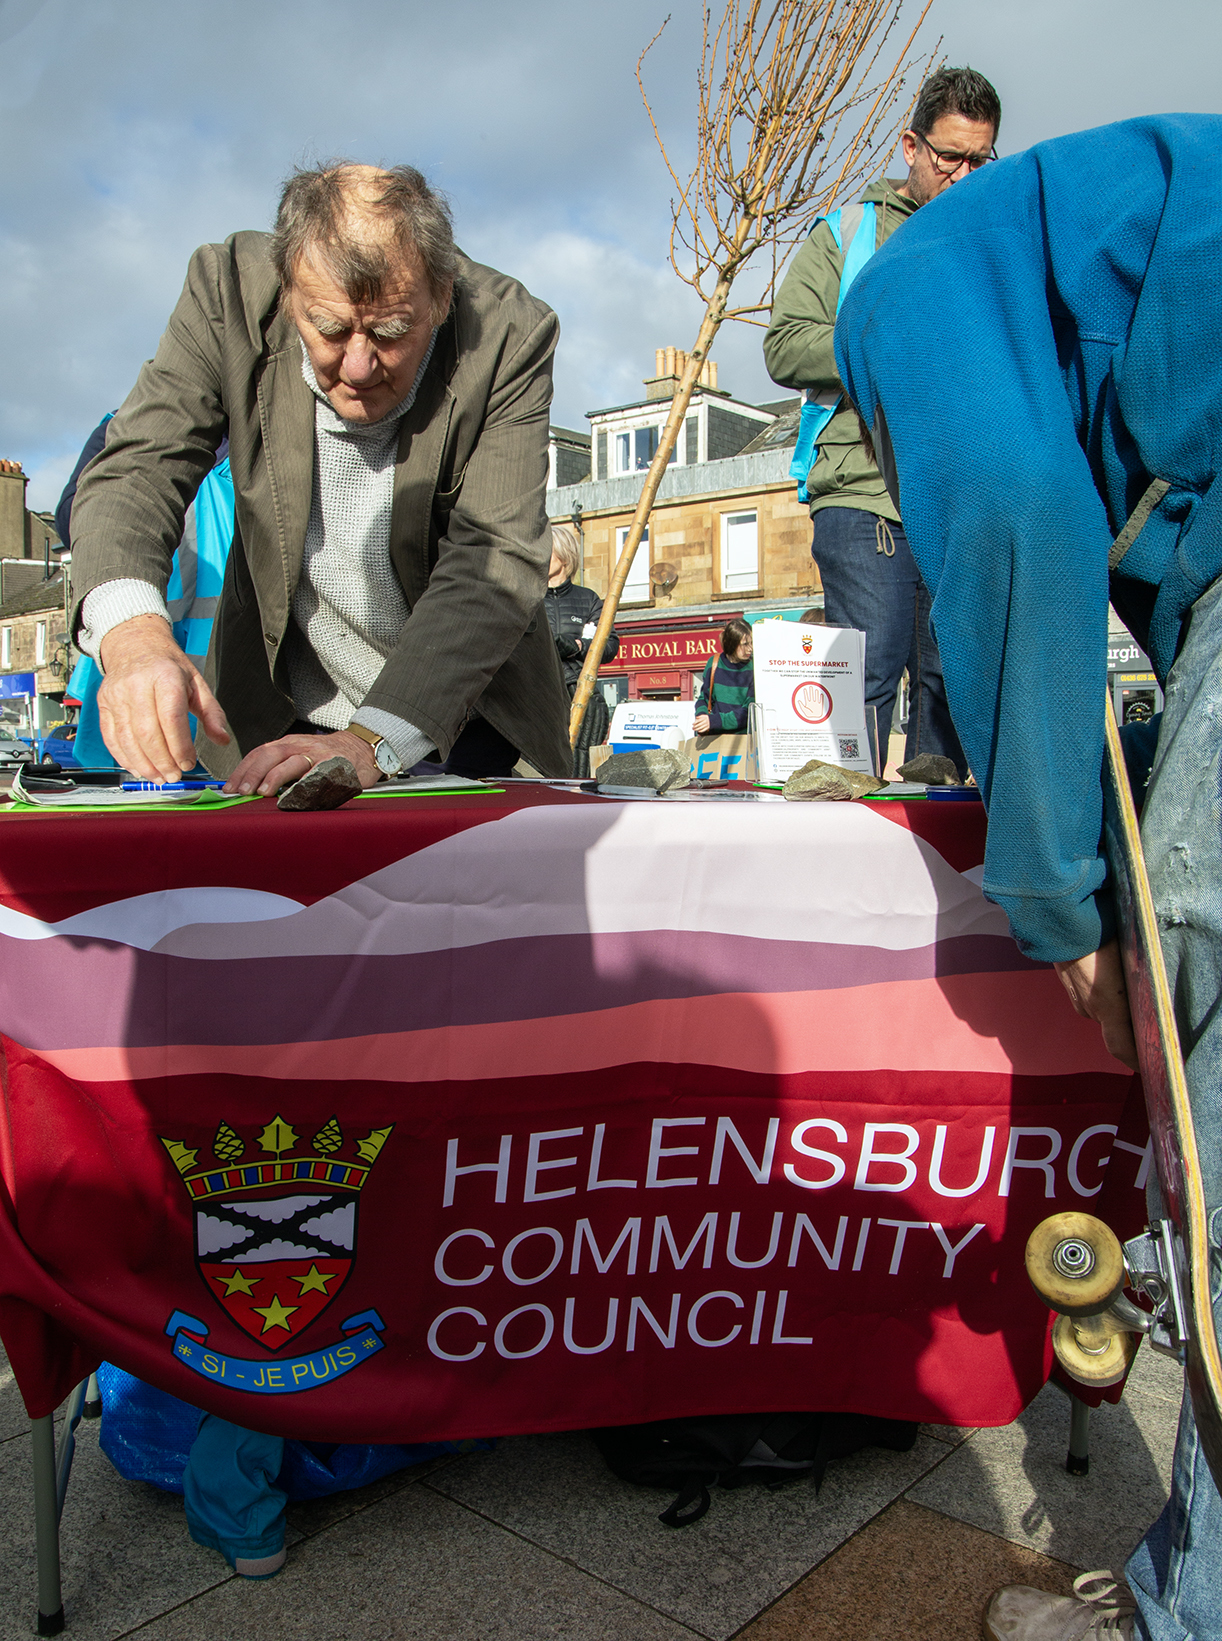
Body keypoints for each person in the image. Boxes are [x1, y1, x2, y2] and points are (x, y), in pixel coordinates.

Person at [833, 113, 1222, 1641]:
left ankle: (1188, 1616)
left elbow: (1002, 508)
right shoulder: (1085, 247)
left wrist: (1060, 899)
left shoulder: (902, 288)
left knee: (1202, 1050)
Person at [68, 161, 571, 790]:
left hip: (463, 725)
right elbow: (138, 467)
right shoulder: (224, 289)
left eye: (390, 332)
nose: (358, 367)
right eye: (329, 329)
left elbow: (494, 554)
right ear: (286, 292)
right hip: (277, 723)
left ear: (441, 298)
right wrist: (134, 635)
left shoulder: (508, 333)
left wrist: (370, 740)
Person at [763, 65, 1002, 779]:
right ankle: (850, 840)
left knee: (952, 679)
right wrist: (885, 337)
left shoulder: (995, 236)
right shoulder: (844, 235)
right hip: (863, 489)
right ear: (910, 145)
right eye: (948, 157)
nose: (963, 175)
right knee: (867, 669)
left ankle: (938, 850)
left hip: (960, 494)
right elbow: (783, 344)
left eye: (979, 160)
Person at [543, 522, 619, 776]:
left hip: (579, 693)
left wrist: (577, 646)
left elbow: (609, 646)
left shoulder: (588, 600)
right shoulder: (528, 597)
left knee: (579, 768)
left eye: (546, 551)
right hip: (539, 693)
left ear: (563, 556)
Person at [694, 619, 754, 735]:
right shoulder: (714, 663)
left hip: (742, 740)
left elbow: (749, 712)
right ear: (732, 644)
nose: (750, 648)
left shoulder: (754, 668)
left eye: (751, 643)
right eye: (745, 644)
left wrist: (714, 721)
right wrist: (701, 716)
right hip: (714, 738)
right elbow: (704, 698)